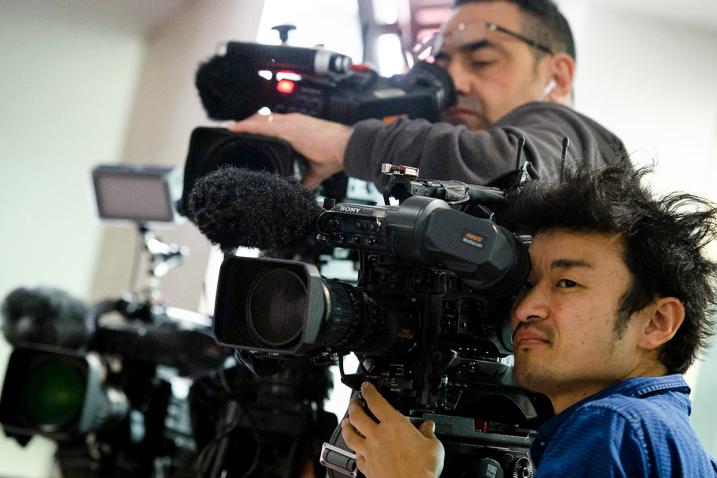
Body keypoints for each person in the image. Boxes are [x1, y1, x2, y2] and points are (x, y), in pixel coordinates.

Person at [340, 166, 717, 477]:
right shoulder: (667, 437)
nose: (525, 309)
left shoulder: (612, 426)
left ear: (657, 322)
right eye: (527, 285)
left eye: (566, 283)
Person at [229, 0, 629, 191]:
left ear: (557, 76)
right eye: (441, 62)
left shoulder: (581, 145)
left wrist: (342, 144)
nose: (454, 81)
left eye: (483, 60)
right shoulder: (427, 159)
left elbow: (507, 166)